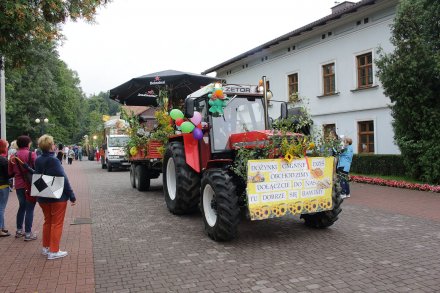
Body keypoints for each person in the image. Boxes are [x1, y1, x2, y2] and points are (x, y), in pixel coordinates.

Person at [35, 135, 76, 260]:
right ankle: (54, 250)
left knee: (47, 221)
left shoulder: (38, 159)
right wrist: (71, 195)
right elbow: (63, 178)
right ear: (51, 146)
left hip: (43, 194)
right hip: (57, 196)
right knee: (56, 223)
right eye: (53, 143)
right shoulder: (53, 160)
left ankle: (46, 247)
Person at [8, 135, 38, 240]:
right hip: (30, 185)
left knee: (22, 207)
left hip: (19, 185)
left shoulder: (13, 156)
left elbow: (10, 172)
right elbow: (37, 169)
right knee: (30, 208)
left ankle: (19, 230)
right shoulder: (32, 154)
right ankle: (28, 233)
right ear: (28, 144)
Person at [0, 139, 11, 237]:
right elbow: (8, 174)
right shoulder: (3, 160)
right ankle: (0, 229)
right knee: (1, 208)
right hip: (3, 185)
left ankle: (2, 227)